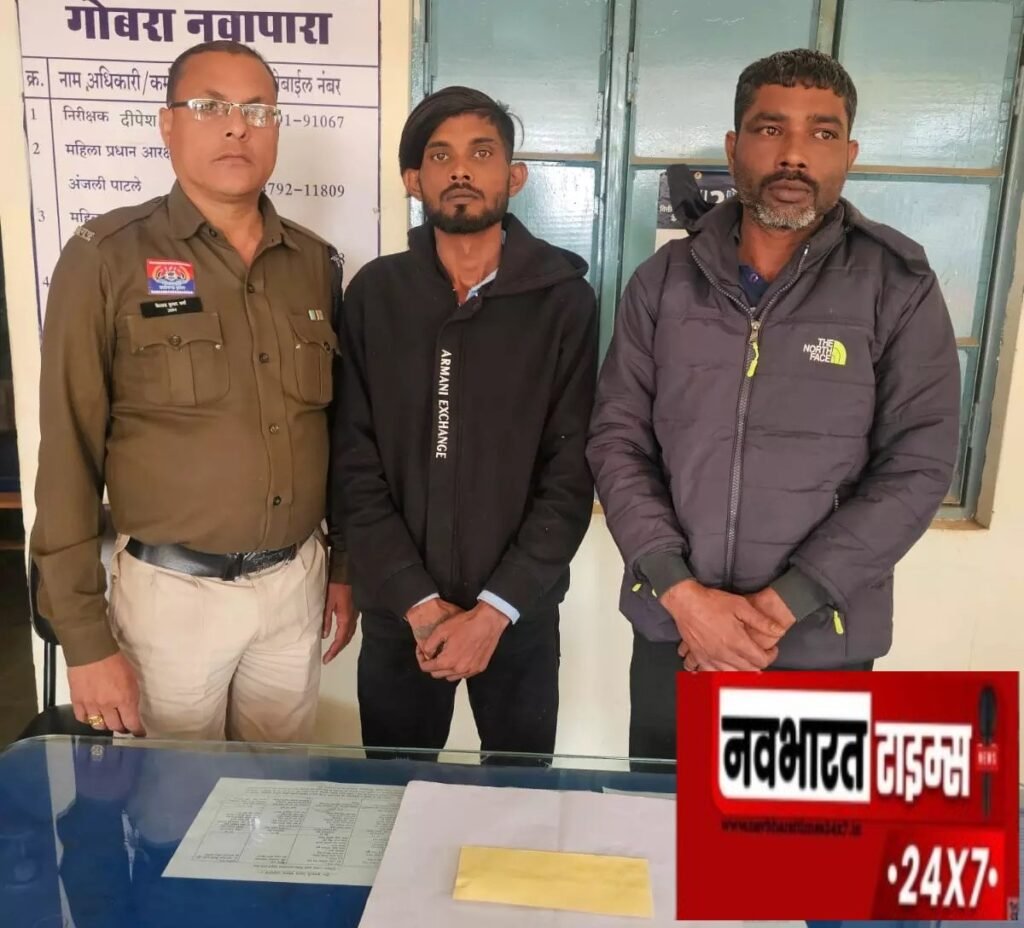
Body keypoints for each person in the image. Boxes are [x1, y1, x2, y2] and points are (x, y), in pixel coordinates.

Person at [587, 50, 960, 760]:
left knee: (797, 834)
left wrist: (777, 608)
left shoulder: (898, 287)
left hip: (819, 642)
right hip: (677, 634)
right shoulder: (663, 282)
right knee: (665, 820)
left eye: (822, 133)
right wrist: (685, 598)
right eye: (769, 129)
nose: (794, 154)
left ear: (849, 153)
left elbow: (918, 467)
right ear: (734, 147)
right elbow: (616, 441)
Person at [31, 40, 355, 742]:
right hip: (171, 602)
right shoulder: (106, 258)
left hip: (293, 587)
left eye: (258, 110)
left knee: (277, 798)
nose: (237, 127)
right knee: (170, 802)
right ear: (167, 124)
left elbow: (339, 432)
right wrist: (84, 639)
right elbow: (68, 454)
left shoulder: (312, 263)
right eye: (210, 107)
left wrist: (344, 566)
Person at [329, 86, 597, 759]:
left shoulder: (564, 302)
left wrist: (496, 608)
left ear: (514, 175)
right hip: (400, 612)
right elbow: (352, 460)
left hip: (518, 612)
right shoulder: (375, 295)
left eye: (481, 153)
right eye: (440, 156)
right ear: (412, 180)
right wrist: (415, 601)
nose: (460, 171)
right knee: (394, 792)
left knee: (518, 792)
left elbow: (571, 471)